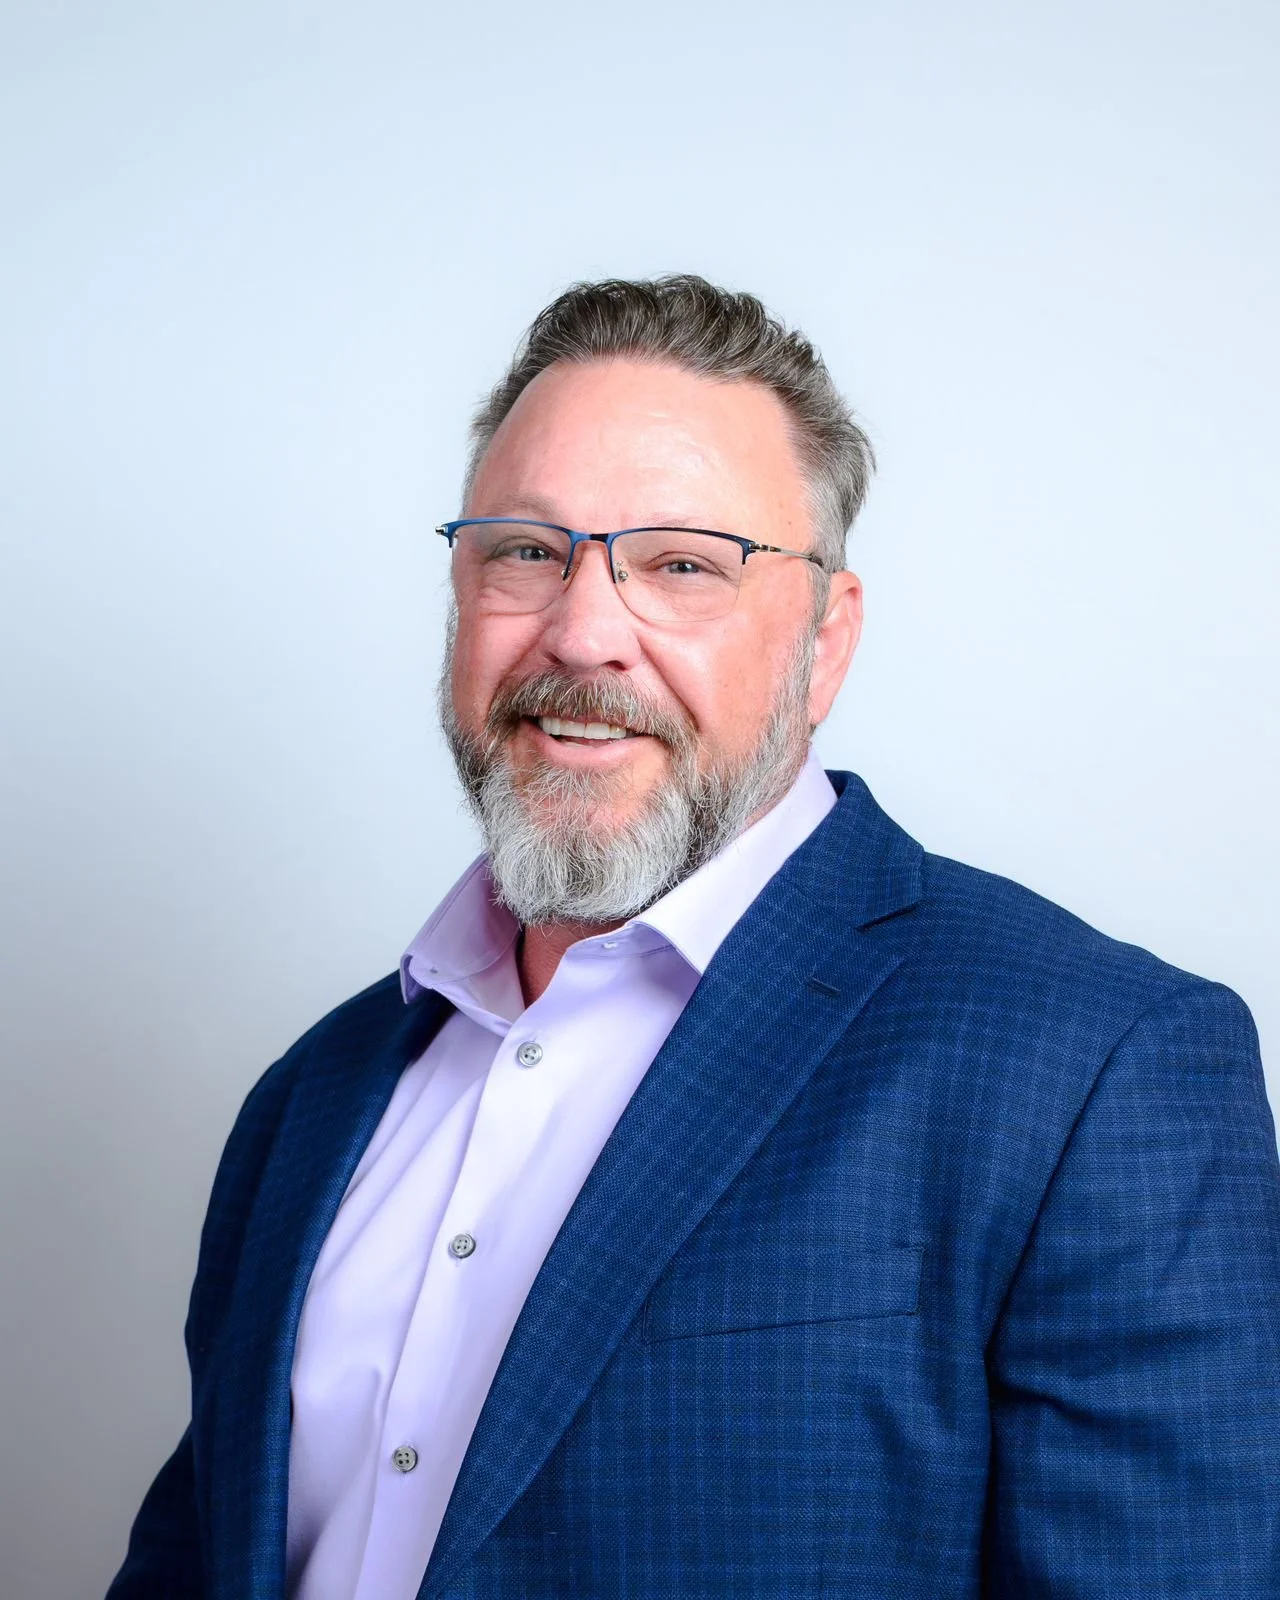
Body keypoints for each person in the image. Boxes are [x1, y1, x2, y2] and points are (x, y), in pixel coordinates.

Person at [108, 275, 1280, 1599]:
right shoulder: (310, 1102)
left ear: (825, 642)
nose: (585, 630)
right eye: (526, 552)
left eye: (681, 566)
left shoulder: (1092, 1072)